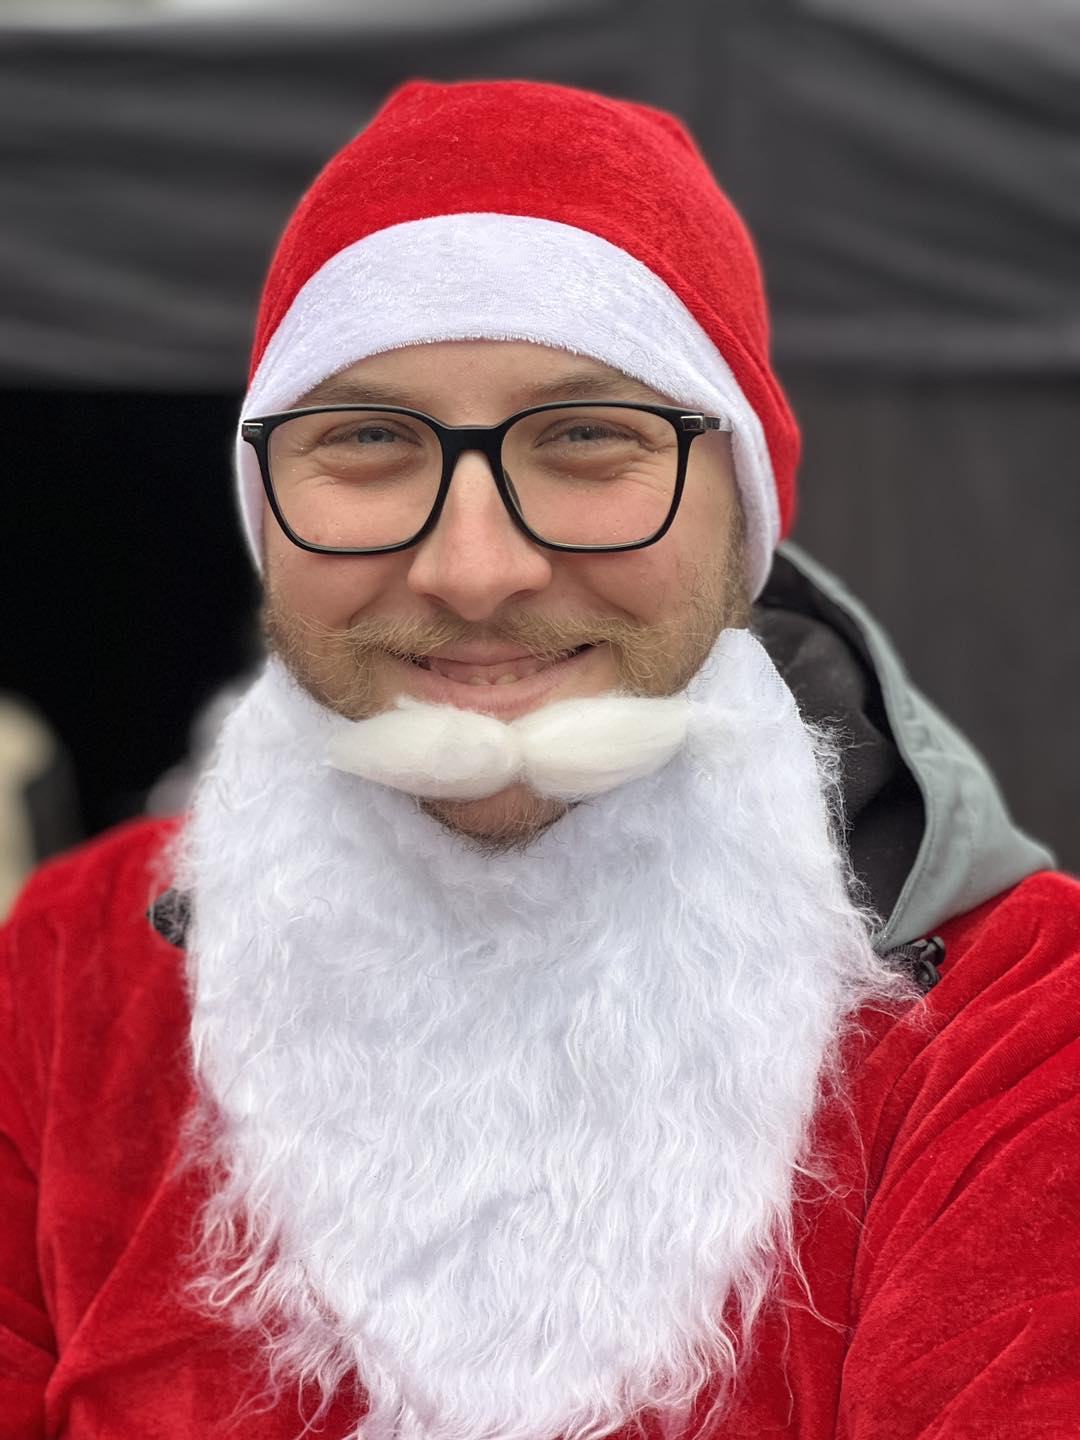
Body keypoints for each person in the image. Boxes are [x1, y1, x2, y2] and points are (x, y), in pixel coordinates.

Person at [1, 79, 1077, 1440]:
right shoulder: (70, 965)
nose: (474, 570)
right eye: (368, 442)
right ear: (264, 507)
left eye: (585, 440)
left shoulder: (1017, 1022)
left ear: (741, 508)